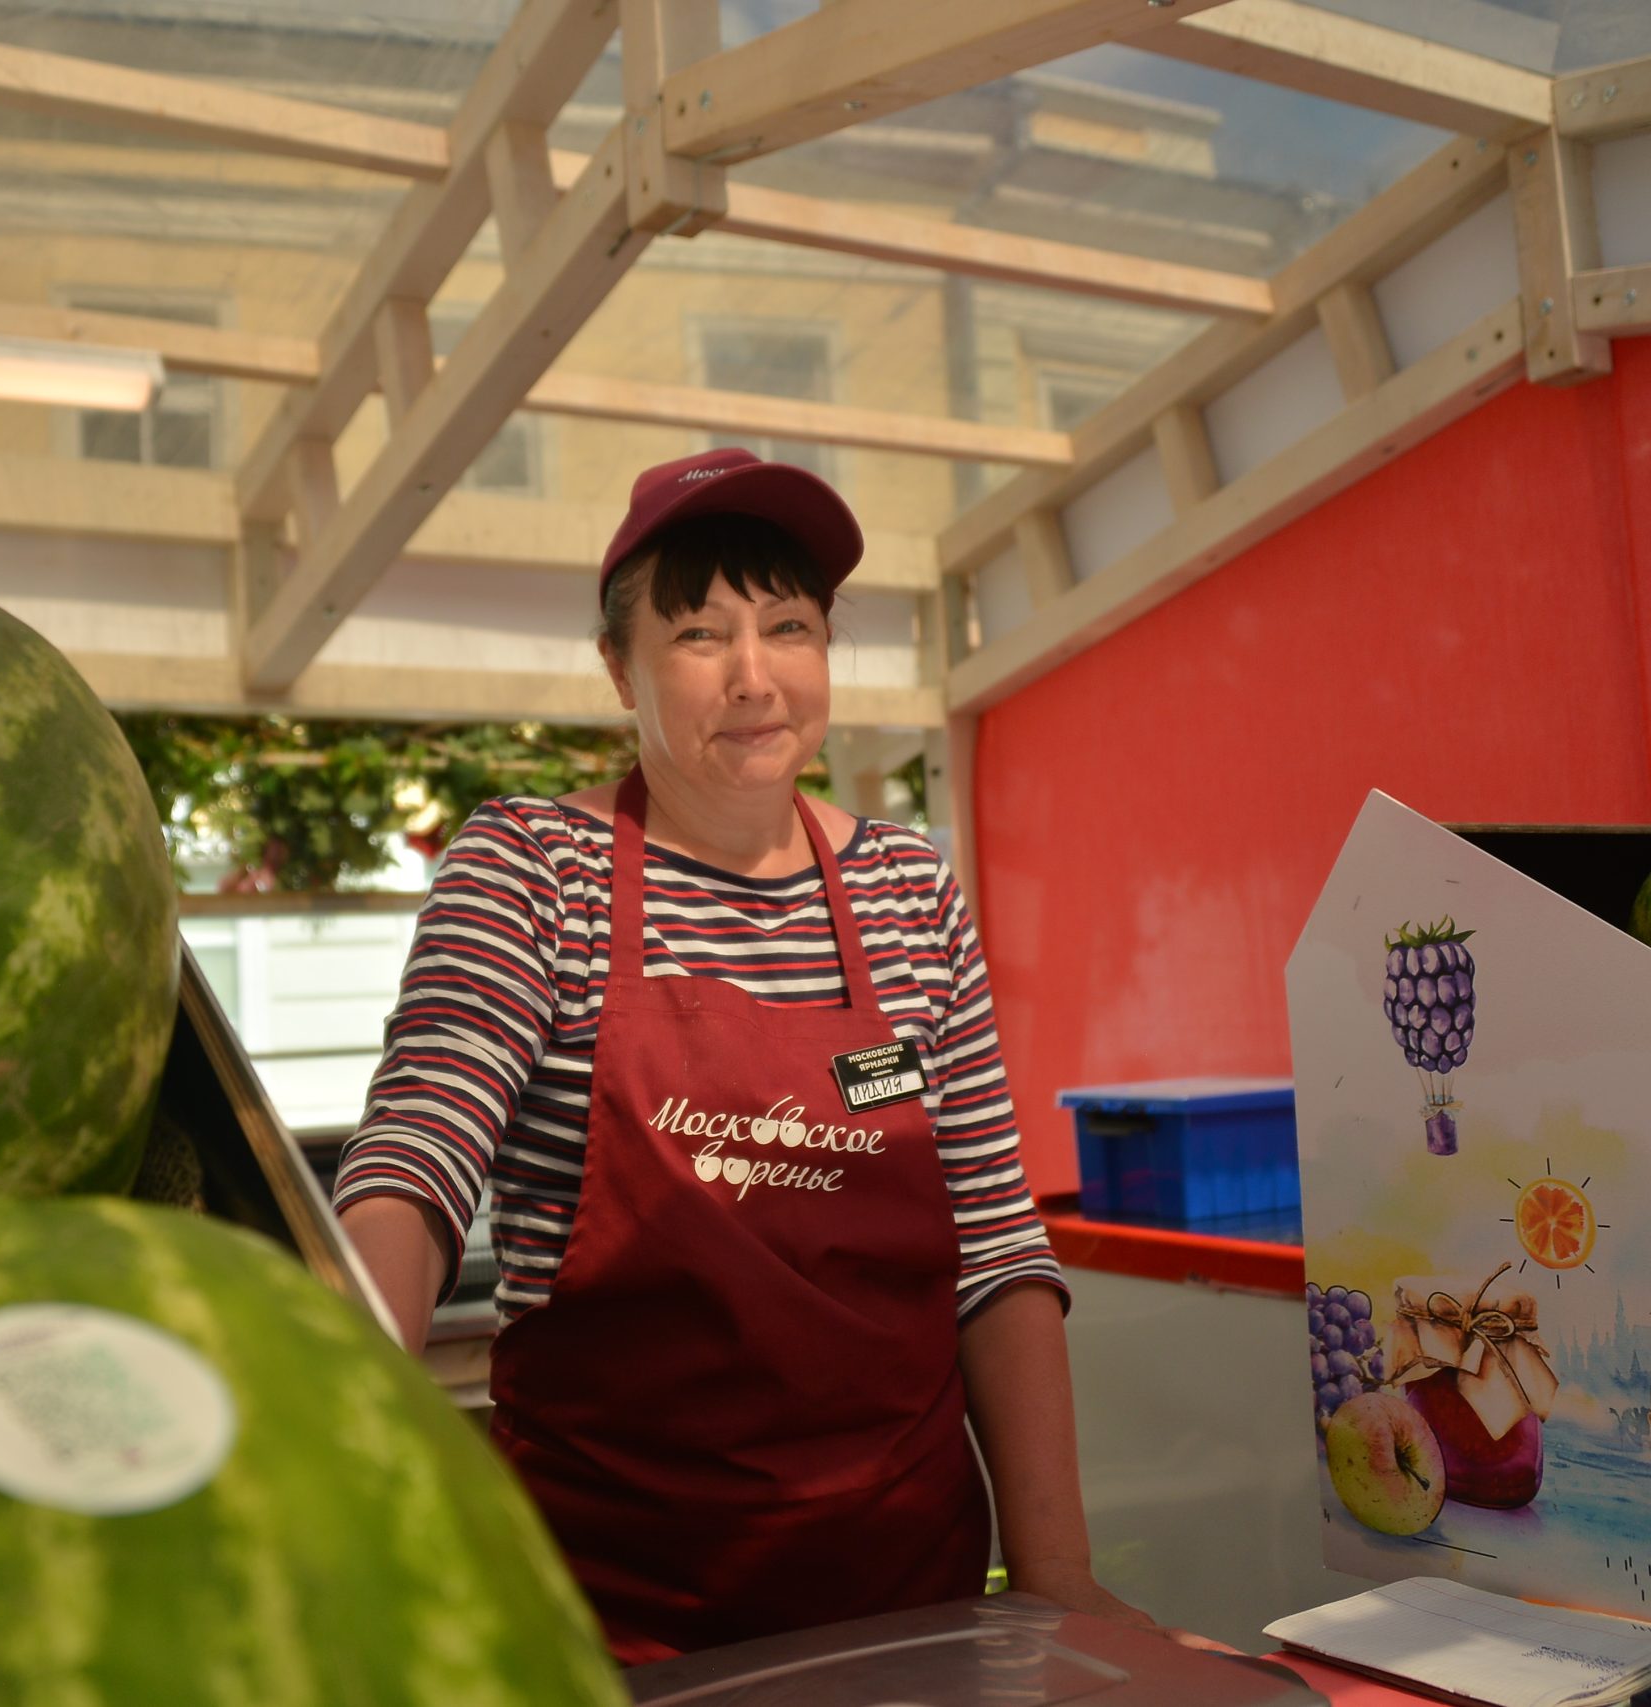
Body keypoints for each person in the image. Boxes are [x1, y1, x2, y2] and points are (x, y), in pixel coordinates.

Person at [335, 448, 1192, 1664]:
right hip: (611, 1619)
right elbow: (418, 1159)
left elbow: (994, 1247)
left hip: (909, 1605)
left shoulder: (906, 889)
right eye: (697, 634)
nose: (753, 677)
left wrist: (1056, 1577)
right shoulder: (533, 872)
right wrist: (322, 1466)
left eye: (787, 627)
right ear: (615, 666)